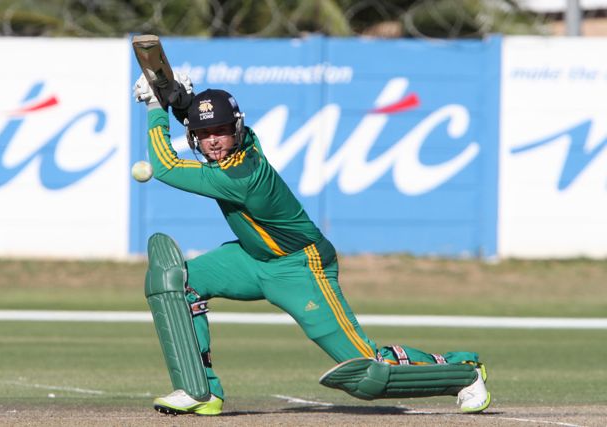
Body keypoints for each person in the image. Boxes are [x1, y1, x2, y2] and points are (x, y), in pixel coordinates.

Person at [133, 72, 491, 416]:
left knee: (370, 372)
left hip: (300, 266)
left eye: (221, 132)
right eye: (203, 133)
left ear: (237, 131)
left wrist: (154, 108)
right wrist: (182, 101)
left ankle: (463, 371)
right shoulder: (245, 144)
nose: (213, 141)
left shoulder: (239, 175)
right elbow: (205, 126)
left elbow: (164, 167)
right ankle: (201, 391)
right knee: (177, 283)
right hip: (252, 259)